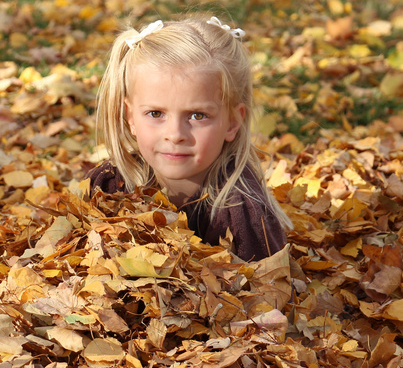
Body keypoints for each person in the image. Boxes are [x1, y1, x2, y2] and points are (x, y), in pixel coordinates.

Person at [88, 15, 291, 261]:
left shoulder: (242, 211)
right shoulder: (108, 187)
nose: (175, 135)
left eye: (197, 115)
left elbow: (270, 282)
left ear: (232, 123)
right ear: (131, 117)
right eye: (155, 114)